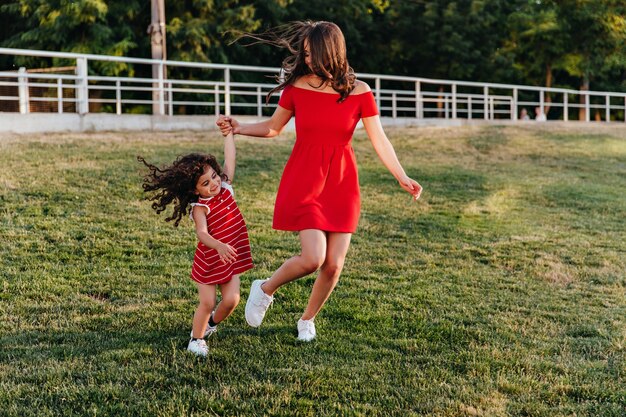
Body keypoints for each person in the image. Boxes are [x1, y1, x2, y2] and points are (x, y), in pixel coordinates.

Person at [217, 20, 422, 342]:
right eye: (306, 54)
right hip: (306, 179)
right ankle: (265, 288)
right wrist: (239, 127)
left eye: (314, 54)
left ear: (332, 52)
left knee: (333, 266)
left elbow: (379, 138)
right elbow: (273, 127)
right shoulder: (297, 86)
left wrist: (401, 175)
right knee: (314, 258)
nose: (308, 59)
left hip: (342, 183)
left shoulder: (359, 92)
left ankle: (307, 319)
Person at [138, 133, 253, 357]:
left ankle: (210, 324)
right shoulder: (200, 207)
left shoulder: (226, 188)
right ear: (194, 190)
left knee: (232, 300)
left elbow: (230, 158)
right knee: (208, 302)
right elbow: (201, 233)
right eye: (205, 183)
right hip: (210, 260)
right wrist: (218, 245)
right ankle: (196, 339)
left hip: (228, 257)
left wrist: (229, 134)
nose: (214, 184)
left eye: (214, 176)